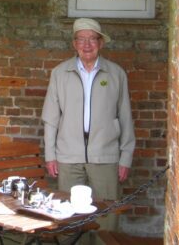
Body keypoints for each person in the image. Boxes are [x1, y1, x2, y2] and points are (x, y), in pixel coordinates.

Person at [42, 18, 135, 231]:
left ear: (100, 43)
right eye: (81, 39)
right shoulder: (60, 73)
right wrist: (50, 155)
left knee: (106, 215)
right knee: (68, 215)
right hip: (68, 157)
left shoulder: (116, 74)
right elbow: (51, 117)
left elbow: (125, 117)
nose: (87, 44)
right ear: (74, 43)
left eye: (92, 39)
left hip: (106, 155)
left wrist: (125, 156)